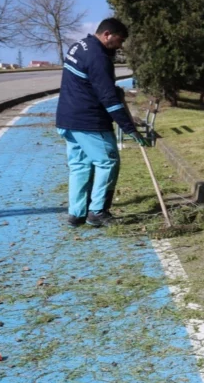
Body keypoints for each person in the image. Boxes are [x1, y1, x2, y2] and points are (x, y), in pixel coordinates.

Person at [56, 17, 147, 228]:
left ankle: (76, 213)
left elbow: (90, 84)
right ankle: (97, 212)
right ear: (107, 35)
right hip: (89, 121)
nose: (120, 45)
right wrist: (129, 128)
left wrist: (113, 90)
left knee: (79, 166)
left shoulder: (80, 46)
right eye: (119, 40)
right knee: (107, 161)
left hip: (67, 118)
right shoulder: (99, 57)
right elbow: (109, 99)